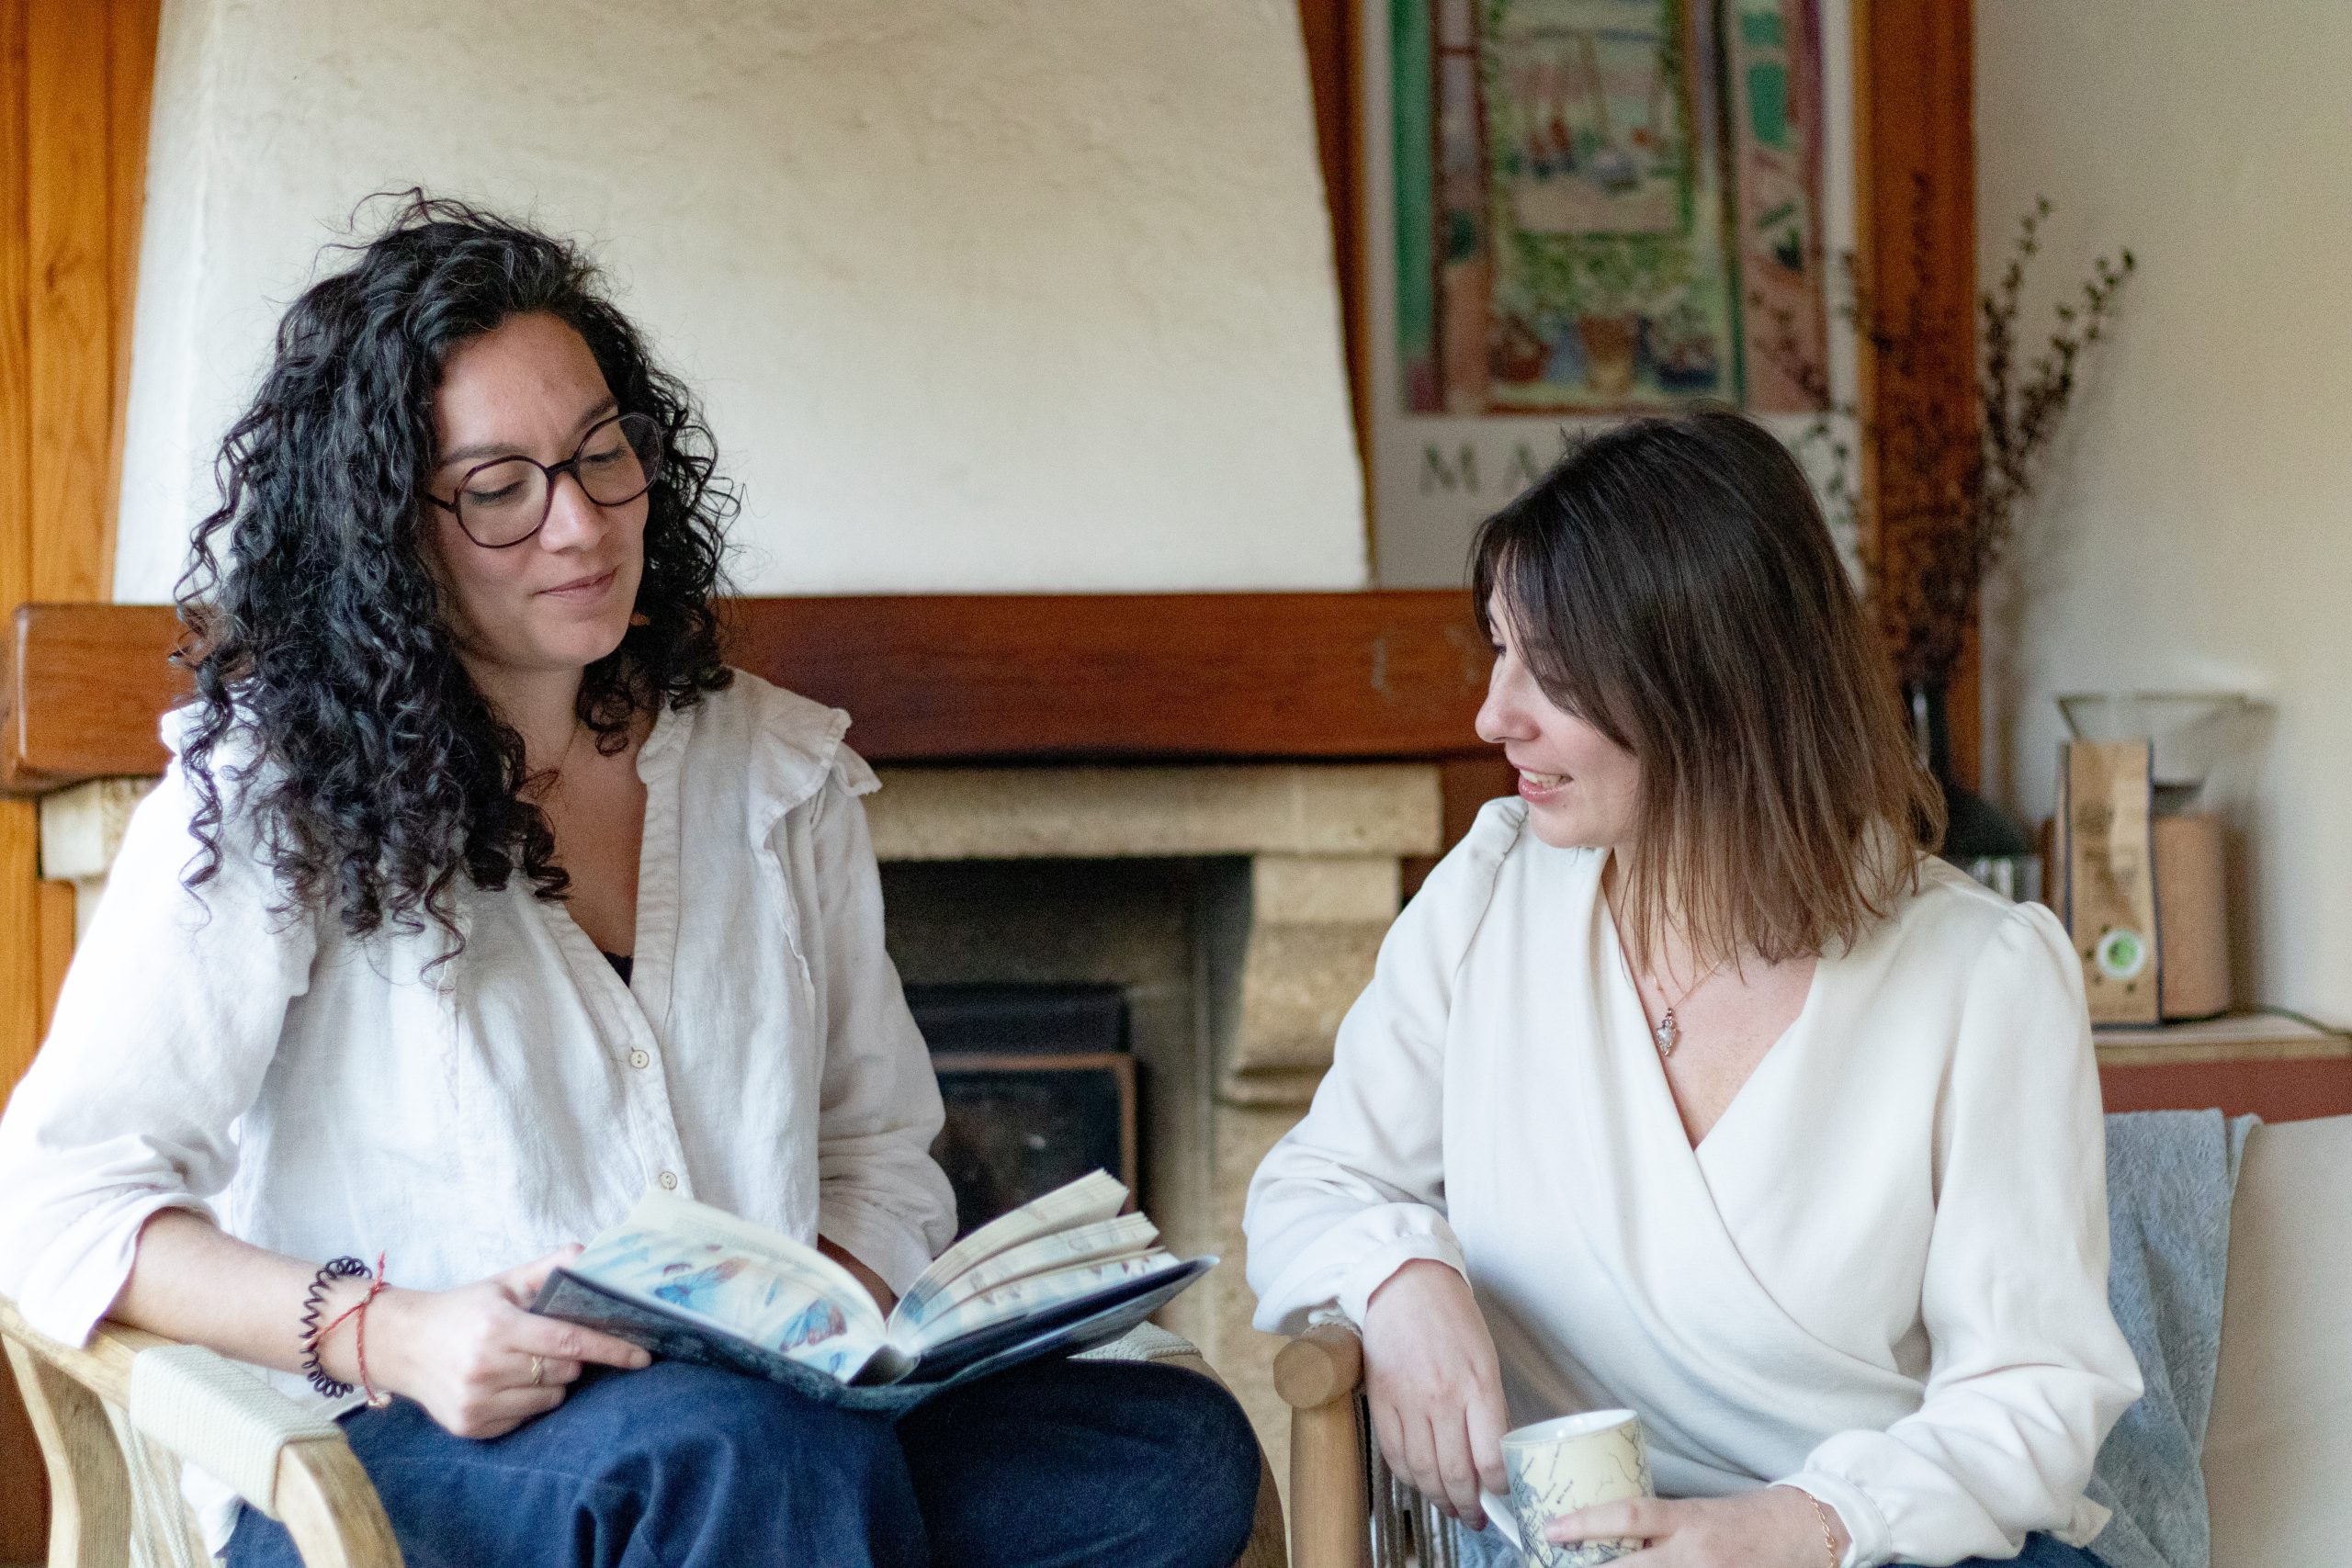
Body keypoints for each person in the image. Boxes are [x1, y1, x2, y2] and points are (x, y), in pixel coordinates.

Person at [0, 195, 1260, 1568]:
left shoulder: (774, 773)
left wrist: (828, 1305)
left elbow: (876, 1151)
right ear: (387, 530)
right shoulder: (272, 793)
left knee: (1164, 1450)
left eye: (606, 453)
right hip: (404, 1448)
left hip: (758, 1424)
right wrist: (393, 1329)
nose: (583, 522)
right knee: (741, 1455)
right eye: (499, 488)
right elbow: (55, 1199)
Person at [1244, 410, 2141, 1568]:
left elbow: (2035, 1392)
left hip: (1878, 1549)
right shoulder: (1489, 897)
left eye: (1550, 673)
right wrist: (1398, 1272)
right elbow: (1309, 1184)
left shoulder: (1981, 974)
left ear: (1712, 684)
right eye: (1498, 652)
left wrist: (1791, 1530)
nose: (1491, 715)